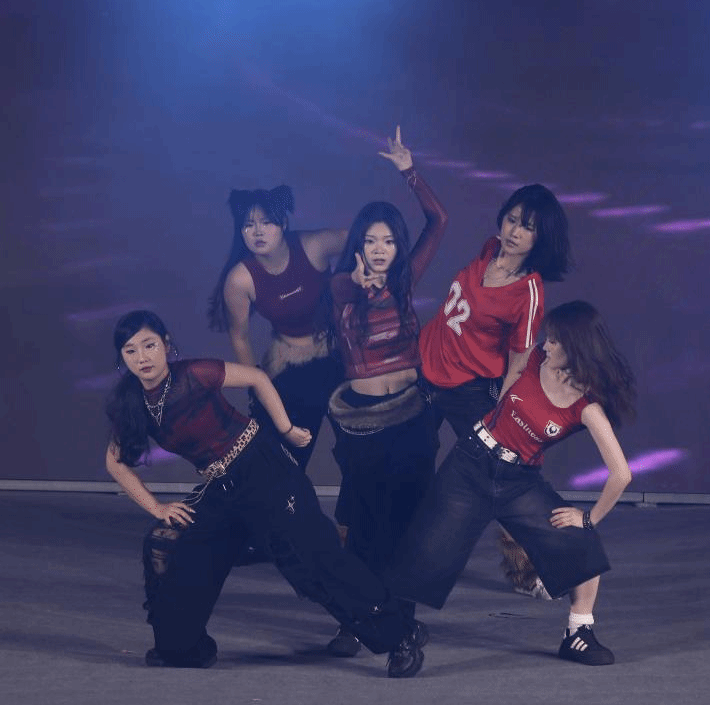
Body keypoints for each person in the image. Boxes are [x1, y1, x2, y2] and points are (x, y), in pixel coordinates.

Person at [103, 310, 427, 677]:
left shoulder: (195, 373)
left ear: (165, 344)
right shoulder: (132, 403)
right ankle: (182, 645)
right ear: (122, 358)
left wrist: (286, 429)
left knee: (312, 560)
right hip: (219, 488)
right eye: (131, 351)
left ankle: (400, 634)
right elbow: (115, 463)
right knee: (165, 543)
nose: (142, 358)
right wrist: (156, 507)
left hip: (263, 469)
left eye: (149, 345)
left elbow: (257, 377)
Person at [386, 300, 637, 666]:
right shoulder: (535, 359)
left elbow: (622, 474)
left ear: (577, 347)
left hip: (518, 481)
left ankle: (579, 633)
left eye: (555, 341)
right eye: (548, 338)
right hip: (469, 464)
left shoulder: (586, 407)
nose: (547, 345)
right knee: (425, 549)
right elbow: (502, 363)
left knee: (579, 542)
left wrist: (589, 518)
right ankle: (402, 636)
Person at [318, 127, 448, 657]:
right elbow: (345, 296)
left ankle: (401, 623)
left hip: (412, 417)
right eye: (370, 240)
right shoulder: (340, 286)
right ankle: (357, 620)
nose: (379, 249)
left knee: (408, 523)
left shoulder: (405, 280)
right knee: (365, 524)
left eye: (389, 241)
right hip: (363, 422)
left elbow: (439, 221)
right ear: (358, 244)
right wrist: (357, 286)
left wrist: (409, 172)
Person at [417, 182, 571, 597]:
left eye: (528, 227)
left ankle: (531, 568)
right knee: (408, 464)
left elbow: (520, 362)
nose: (514, 231)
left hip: (469, 389)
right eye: (512, 219)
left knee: (500, 477)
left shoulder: (529, 291)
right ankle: (399, 555)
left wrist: (500, 417)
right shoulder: (489, 249)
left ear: (542, 237)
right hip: (425, 373)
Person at [207, 185, 346, 470]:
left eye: (266, 222)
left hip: (340, 356)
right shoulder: (240, 279)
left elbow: (364, 239)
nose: (257, 232)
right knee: (281, 462)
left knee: (361, 446)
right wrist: (257, 388)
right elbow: (240, 337)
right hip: (292, 366)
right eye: (248, 225)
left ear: (283, 223)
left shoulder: (314, 245)